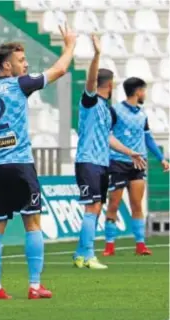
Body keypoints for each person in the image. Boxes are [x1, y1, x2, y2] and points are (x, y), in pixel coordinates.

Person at [0, 24, 78, 300]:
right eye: (21, 60)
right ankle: (34, 285)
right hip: (20, 165)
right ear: (7, 65)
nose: (26, 64)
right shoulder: (20, 84)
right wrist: (69, 47)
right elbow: (59, 71)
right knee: (32, 224)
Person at [73, 36, 146, 270]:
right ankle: (88, 255)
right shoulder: (91, 102)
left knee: (95, 208)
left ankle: (81, 254)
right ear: (110, 84)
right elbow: (90, 82)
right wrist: (96, 56)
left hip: (101, 163)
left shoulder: (105, 109)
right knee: (92, 207)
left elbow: (108, 138)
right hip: (88, 161)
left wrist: (130, 152)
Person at [103, 77, 169, 256]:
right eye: (144, 91)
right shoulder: (115, 110)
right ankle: (109, 245)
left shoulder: (142, 114)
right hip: (118, 162)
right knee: (114, 204)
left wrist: (161, 158)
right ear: (138, 91)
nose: (145, 94)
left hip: (138, 164)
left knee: (137, 204)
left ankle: (140, 245)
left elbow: (148, 138)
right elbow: (107, 135)